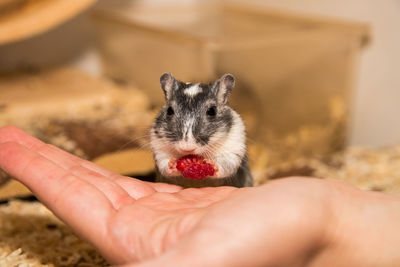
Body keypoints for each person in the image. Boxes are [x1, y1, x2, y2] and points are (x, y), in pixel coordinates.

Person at [0, 126, 399, 267]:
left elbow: (228, 166)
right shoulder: (161, 133)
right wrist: (340, 220)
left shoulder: (232, 137)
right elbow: (166, 163)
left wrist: (328, 219)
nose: (188, 142)